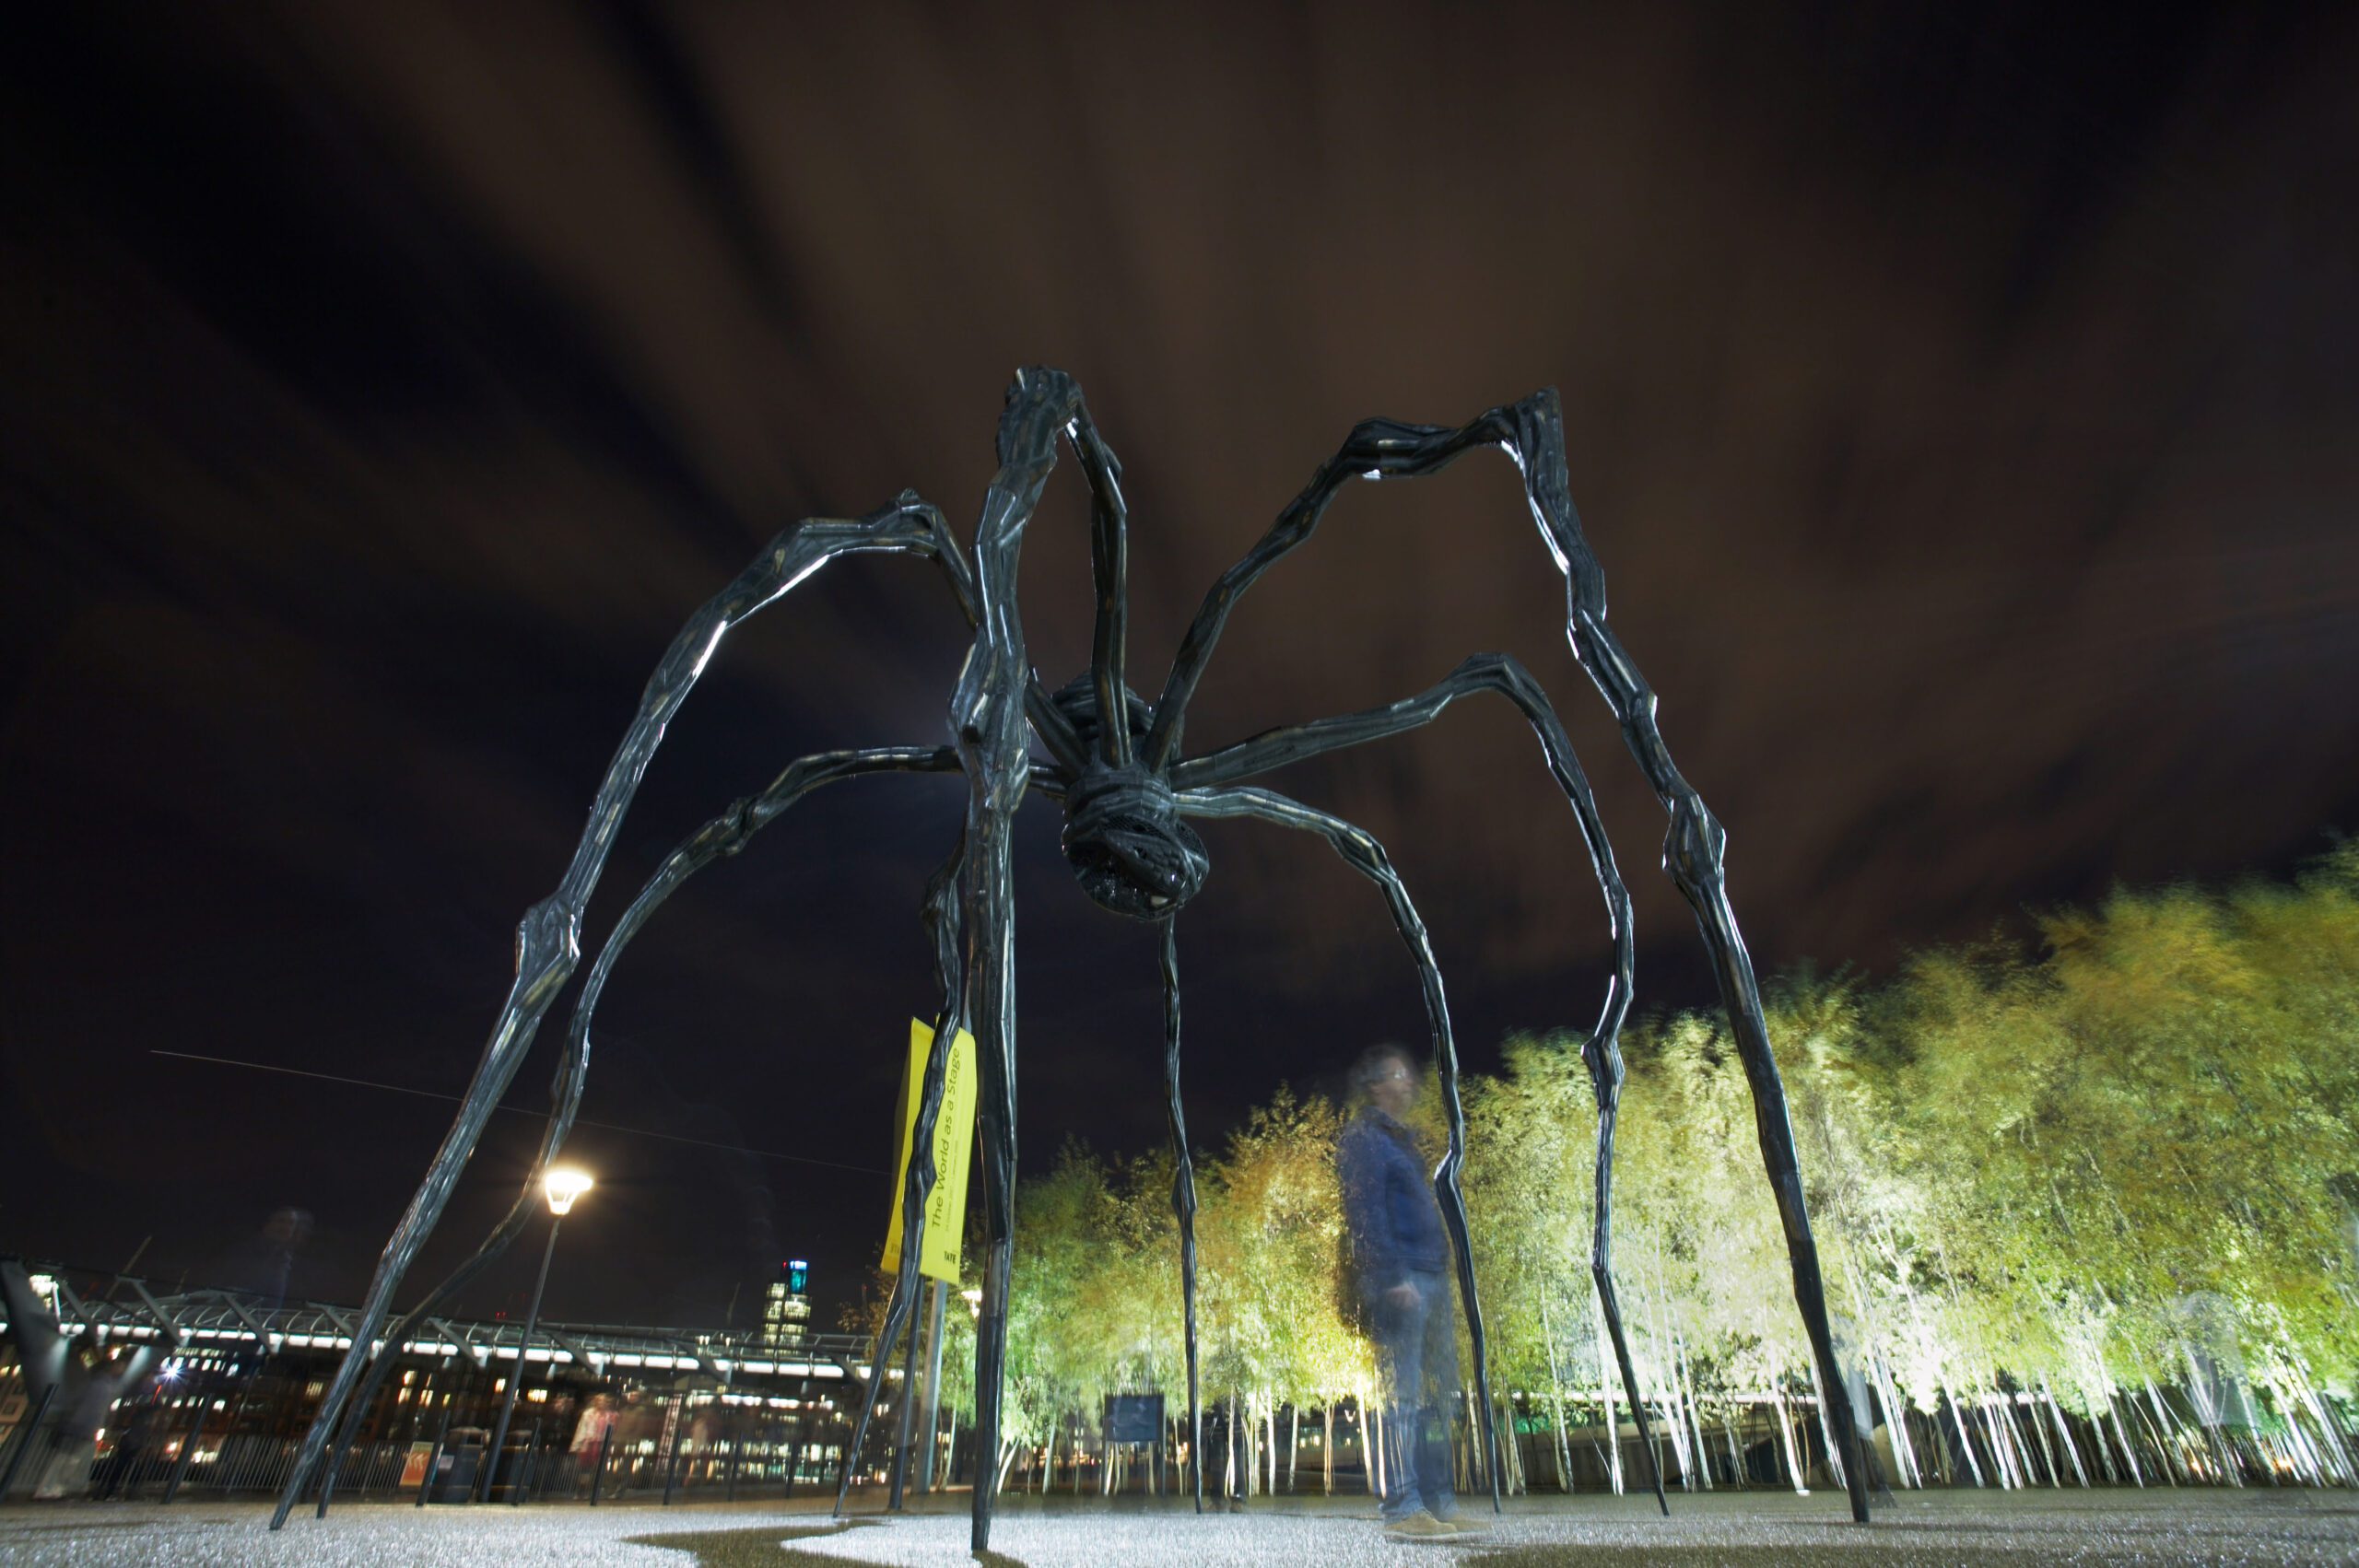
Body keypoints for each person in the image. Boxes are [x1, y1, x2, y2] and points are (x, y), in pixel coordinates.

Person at [1337, 1044, 1476, 1541]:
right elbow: (1366, 1212)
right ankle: (1404, 1505)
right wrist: (1392, 1274)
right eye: (1398, 1074)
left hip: (1430, 1277)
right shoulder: (1365, 1139)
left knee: (1441, 1395)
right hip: (1401, 1280)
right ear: (1376, 1085)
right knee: (1405, 1394)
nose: (1408, 1082)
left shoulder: (1402, 1142)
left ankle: (1438, 1500)